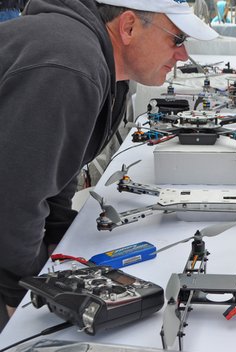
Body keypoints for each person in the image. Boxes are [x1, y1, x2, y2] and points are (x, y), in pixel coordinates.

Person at [0, 0, 217, 323]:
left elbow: (59, 166)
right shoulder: (71, 65)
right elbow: (14, 199)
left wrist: (59, 232)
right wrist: (22, 292)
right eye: (177, 39)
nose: (182, 56)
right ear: (129, 26)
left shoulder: (105, 70)